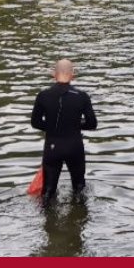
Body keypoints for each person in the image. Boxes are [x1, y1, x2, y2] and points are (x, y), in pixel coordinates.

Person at [31, 59, 98, 204]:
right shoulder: (82, 96)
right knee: (79, 187)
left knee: (48, 190)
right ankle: (79, 218)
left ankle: (48, 221)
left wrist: (53, 127)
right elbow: (92, 123)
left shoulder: (43, 96)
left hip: (52, 147)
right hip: (75, 146)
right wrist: (74, 125)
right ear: (73, 75)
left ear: (53, 74)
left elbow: (35, 123)